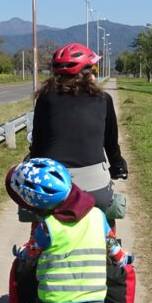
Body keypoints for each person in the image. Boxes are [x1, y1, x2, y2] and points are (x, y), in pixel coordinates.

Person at [6, 157, 130, 303]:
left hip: (53, 302)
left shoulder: (47, 226)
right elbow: (113, 249)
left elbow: (31, 252)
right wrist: (123, 259)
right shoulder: (98, 217)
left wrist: (22, 254)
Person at [29, 43, 128, 216]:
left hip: (54, 185)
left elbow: (38, 142)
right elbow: (110, 143)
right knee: (105, 211)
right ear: (88, 73)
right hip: (95, 187)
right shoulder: (103, 99)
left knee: (42, 218)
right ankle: (109, 241)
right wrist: (118, 165)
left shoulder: (45, 99)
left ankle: (36, 240)